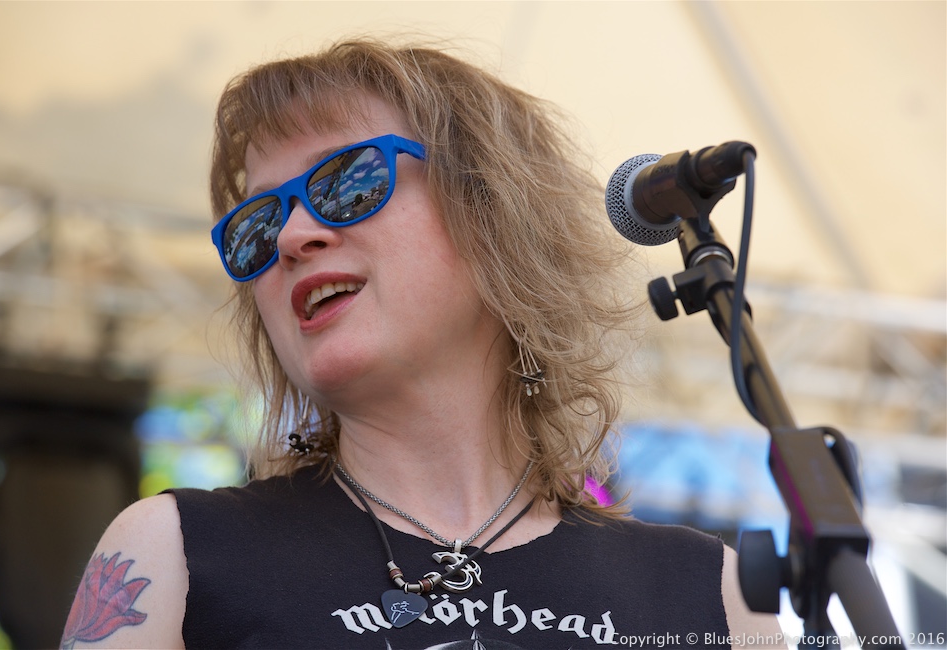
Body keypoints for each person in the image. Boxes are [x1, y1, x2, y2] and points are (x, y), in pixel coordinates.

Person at [61, 39, 782, 649]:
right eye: (256, 224)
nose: (289, 237)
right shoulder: (173, 555)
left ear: (494, 213)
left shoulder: (710, 598)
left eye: (350, 182)